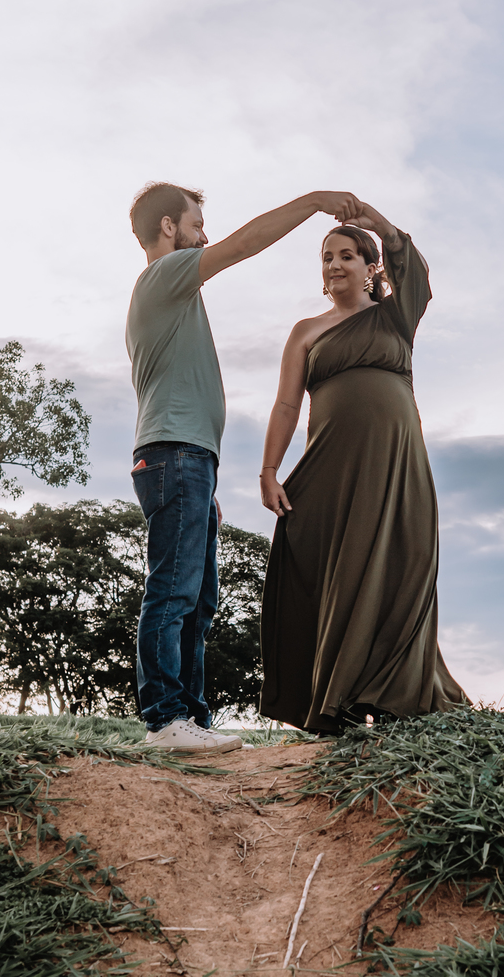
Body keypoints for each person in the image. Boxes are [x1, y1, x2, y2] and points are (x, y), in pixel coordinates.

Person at [127, 181, 361, 752]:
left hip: (189, 459)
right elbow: (242, 245)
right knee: (174, 591)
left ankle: (191, 721)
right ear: (168, 227)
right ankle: (163, 719)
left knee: (198, 599)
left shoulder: (173, 292)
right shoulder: (165, 274)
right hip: (176, 454)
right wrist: (312, 203)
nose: (204, 235)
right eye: (195, 223)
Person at [257, 203, 467, 733]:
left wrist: (374, 219)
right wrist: (269, 470)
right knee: (335, 570)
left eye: (347, 255)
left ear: (371, 267)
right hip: (333, 472)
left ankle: (396, 698)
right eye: (327, 256)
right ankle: (341, 702)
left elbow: (413, 268)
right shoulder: (306, 331)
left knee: (405, 563)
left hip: (398, 466)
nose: (334, 264)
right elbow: (286, 405)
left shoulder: (395, 315)